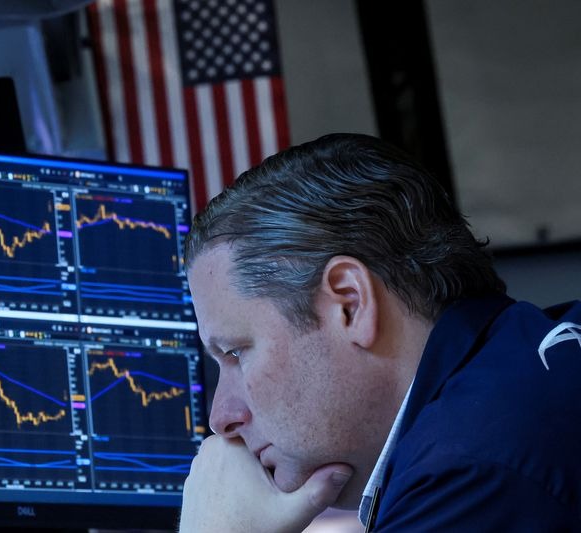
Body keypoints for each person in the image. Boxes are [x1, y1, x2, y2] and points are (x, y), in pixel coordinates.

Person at [177, 133, 581, 532]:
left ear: (350, 304)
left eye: (235, 352)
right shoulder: (523, 371)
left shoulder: (470, 471)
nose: (221, 418)